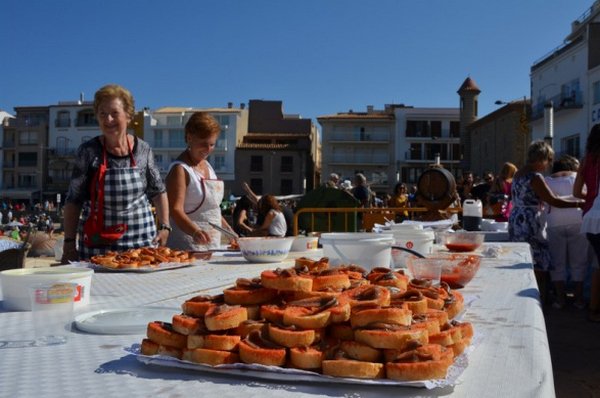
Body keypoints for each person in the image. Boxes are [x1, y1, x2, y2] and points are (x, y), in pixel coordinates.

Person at [61, 84, 170, 262]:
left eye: (114, 113)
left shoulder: (143, 149)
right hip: (98, 245)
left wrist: (165, 226)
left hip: (142, 244)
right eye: (102, 114)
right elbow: (73, 200)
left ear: (128, 115)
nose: (108, 119)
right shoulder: (88, 151)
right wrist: (69, 242)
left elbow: (158, 192)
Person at [509, 140, 584, 303]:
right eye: (549, 160)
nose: (549, 164)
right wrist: (579, 203)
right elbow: (554, 200)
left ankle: (529, 298)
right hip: (530, 222)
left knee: (522, 259)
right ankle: (539, 299)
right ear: (542, 158)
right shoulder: (535, 177)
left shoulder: (518, 173)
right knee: (538, 264)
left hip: (517, 219)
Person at [166, 112, 234, 251]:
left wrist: (228, 231)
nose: (208, 150)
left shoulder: (207, 166)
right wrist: (195, 232)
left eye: (212, 144)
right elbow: (175, 210)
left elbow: (211, 209)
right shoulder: (180, 169)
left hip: (211, 244)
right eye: (204, 144)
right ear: (189, 138)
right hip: (186, 246)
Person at [544, 155, 590, 309]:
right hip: (578, 220)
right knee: (579, 262)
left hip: (554, 222)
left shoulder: (547, 181)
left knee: (557, 263)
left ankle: (560, 299)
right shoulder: (578, 177)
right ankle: (578, 300)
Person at [574, 123, 600, 322]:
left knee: (597, 265)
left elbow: (576, 193)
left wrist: (590, 196)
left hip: (589, 217)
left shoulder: (585, 161)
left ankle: (593, 308)